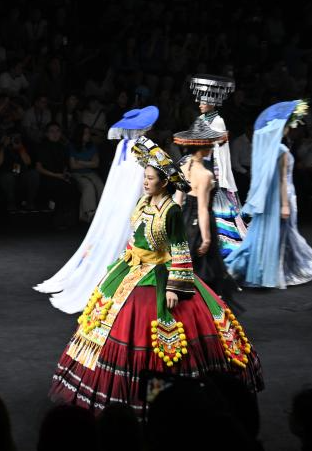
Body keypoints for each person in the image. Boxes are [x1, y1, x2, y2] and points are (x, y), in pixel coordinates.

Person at [49, 137, 263, 414]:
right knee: (107, 323)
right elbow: (136, 237)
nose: (145, 182)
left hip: (161, 274)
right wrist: (125, 259)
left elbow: (180, 249)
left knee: (162, 337)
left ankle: (166, 398)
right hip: (133, 268)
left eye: (150, 178)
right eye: (145, 177)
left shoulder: (170, 211)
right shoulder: (143, 203)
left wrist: (175, 286)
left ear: (163, 182)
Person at [35, 106, 158, 313]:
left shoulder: (123, 145)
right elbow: (157, 171)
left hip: (119, 199)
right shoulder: (145, 146)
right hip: (135, 198)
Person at [225, 101, 312, 288]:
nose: (290, 128)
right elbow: (282, 180)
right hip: (282, 196)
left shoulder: (267, 150)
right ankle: (274, 270)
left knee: (270, 234)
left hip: (270, 197)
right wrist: (285, 204)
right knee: (283, 233)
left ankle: (269, 269)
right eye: (288, 125)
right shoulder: (281, 151)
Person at [173, 120, 244, 312]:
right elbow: (203, 209)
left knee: (186, 265)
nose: (213, 147)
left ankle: (187, 309)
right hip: (200, 223)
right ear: (203, 147)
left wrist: (175, 225)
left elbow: (178, 201)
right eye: (210, 144)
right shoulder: (205, 175)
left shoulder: (184, 167)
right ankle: (205, 311)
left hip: (185, 220)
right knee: (206, 268)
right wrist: (206, 238)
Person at [187, 74, 248, 256]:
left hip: (213, 168)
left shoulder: (218, 121)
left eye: (203, 101)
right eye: (199, 100)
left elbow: (221, 151)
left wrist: (219, 175)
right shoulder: (200, 119)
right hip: (200, 166)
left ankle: (219, 243)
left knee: (215, 207)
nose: (199, 103)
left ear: (213, 103)